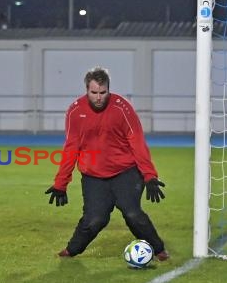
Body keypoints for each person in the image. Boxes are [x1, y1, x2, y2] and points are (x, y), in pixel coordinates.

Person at [45, 66, 169, 261]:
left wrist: (149, 175)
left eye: (103, 92)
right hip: (93, 177)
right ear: (86, 89)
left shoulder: (123, 108)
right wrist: (61, 183)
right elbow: (71, 148)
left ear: (109, 89)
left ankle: (159, 250)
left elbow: (137, 142)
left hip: (126, 172)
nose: (99, 97)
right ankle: (71, 250)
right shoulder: (75, 112)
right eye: (94, 92)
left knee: (132, 213)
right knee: (95, 220)